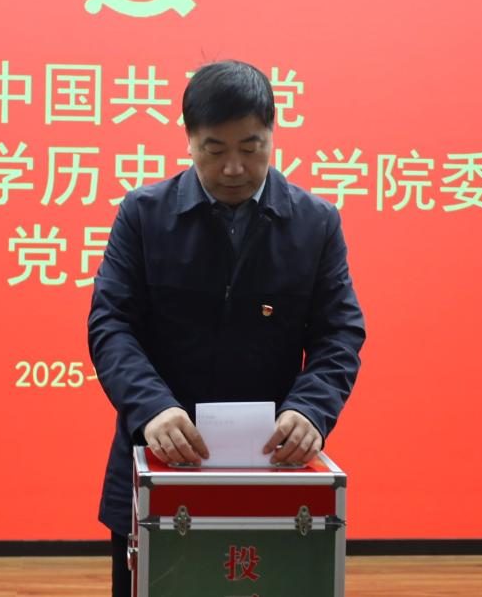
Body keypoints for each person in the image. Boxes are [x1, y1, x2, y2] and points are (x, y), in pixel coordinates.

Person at [87, 59, 365, 597]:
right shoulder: (144, 215)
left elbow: (339, 333)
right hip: (158, 459)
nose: (234, 168)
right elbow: (111, 323)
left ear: (273, 134)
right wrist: (152, 408)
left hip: (272, 471)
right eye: (214, 150)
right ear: (189, 139)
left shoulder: (315, 222)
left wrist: (311, 409)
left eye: (251, 147)